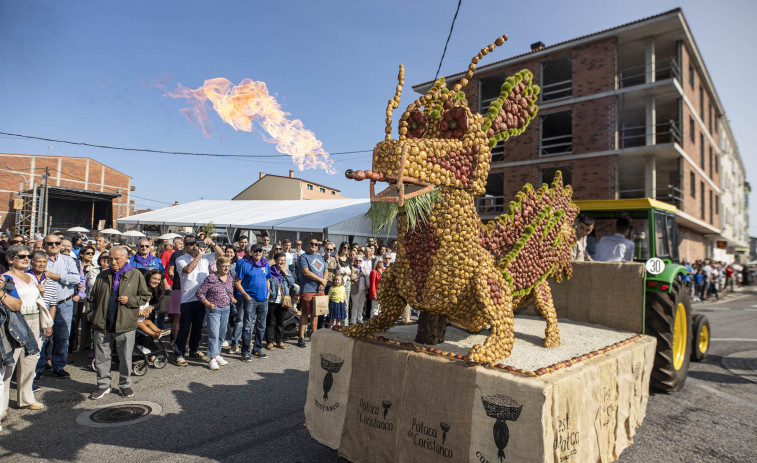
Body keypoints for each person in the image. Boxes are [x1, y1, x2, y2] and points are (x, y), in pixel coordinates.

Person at [87, 246, 150, 399]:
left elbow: (145, 296)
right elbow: (92, 299)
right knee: (102, 357)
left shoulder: (135, 274)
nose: (113, 262)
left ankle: (125, 385)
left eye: (117, 259)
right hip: (103, 324)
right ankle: (103, 385)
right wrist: (92, 316)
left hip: (125, 324)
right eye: (110, 259)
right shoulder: (103, 275)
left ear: (126, 258)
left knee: (125, 357)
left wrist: (131, 300)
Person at [2, 245, 46, 414]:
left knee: (30, 360)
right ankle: (2, 406)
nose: (27, 259)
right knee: (9, 364)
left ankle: (26, 399)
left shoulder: (30, 276)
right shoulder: (5, 278)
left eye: (28, 256)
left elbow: (36, 300)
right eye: (22, 256)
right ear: (11, 259)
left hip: (35, 319)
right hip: (16, 322)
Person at [173, 236, 223, 366]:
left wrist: (212, 242)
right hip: (187, 298)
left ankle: (194, 349)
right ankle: (179, 353)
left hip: (202, 298)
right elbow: (188, 270)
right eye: (190, 244)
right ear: (185, 247)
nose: (194, 246)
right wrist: (198, 256)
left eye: (195, 243)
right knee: (184, 327)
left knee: (197, 327)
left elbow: (221, 254)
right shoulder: (180, 259)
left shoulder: (206, 257)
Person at [39, 234, 80, 378]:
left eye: (57, 243)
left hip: (64, 303)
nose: (54, 246)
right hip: (44, 305)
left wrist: (57, 276)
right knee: (42, 336)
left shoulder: (68, 260)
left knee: (63, 337)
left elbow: (76, 278)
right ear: (44, 245)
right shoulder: (40, 260)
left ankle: (59, 366)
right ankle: (40, 367)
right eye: (50, 243)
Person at [196, 256, 235, 370]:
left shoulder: (229, 277)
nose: (226, 268)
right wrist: (207, 304)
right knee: (214, 334)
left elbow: (230, 291)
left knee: (222, 334)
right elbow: (200, 293)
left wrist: (232, 298)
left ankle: (217, 353)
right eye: (224, 266)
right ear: (217, 266)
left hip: (226, 309)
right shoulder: (211, 278)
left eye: (228, 266)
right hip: (214, 310)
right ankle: (212, 359)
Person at [235, 244, 271, 360]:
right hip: (251, 299)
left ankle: (257, 349)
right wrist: (246, 295)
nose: (258, 253)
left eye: (260, 251)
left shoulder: (265, 265)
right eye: (256, 251)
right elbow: (237, 282)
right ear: (251, 252)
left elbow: (267, 279)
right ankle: (245, 351)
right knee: (247, 326)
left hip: (263, 299)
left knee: (262, 326)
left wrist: (268, 293)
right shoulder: (245, 265)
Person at [296, 240, 328, 348]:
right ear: (307, 245)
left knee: (316, 313)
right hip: (308, 289)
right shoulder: (303, 257)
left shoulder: (320, 257)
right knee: (305, 313)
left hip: (319, 290)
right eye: (311, 243)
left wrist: (324, 282)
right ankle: (301, 337)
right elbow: (306, 272)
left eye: (316, 244)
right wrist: (321, 280)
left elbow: (326, 270)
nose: (313, 246)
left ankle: (313, 335)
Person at [265, 252, 294, 350]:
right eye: (280, 260)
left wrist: (285, 272)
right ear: (275, 260)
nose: (282, 262)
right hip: (272, 300)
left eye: (284, 261)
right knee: (270, 322)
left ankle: (279, 341)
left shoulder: (287, 271)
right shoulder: (269, 271)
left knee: (280, 322)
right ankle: (269, 341)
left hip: (283, 300)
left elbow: (292, 283)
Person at [138, 269, 169, 339]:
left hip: (143, 316)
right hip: (133, 317)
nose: (156, 281)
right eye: (154, 278)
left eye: (158, 279)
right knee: (140, 324)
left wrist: (150, 308)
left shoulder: (158, 289)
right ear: (149, 277)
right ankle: (154, 334)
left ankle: (159, 331)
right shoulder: (140, 287)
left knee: (148, 322)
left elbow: (158, 303)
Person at [166, 237, 186, 343]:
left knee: (187, 318)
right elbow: (170, 271)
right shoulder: (176, 255)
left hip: (190, 290)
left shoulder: (196, 254)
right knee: (177, 316)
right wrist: (177, 280)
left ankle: (186, 344)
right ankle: (176, 341)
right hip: (178, 288)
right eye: (182, 243)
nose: (183, 244)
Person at [349, 255, 368, 325]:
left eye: (360, 260)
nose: (358, 262)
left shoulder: (363, 268)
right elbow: (352, 277)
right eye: (356, 260)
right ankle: (353, 320)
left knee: (361, 305)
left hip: (363, 289)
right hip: (355, 289)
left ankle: (359, 318)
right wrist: (360, 274)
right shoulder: (352, 268)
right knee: (355, 305)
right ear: (354, 261)